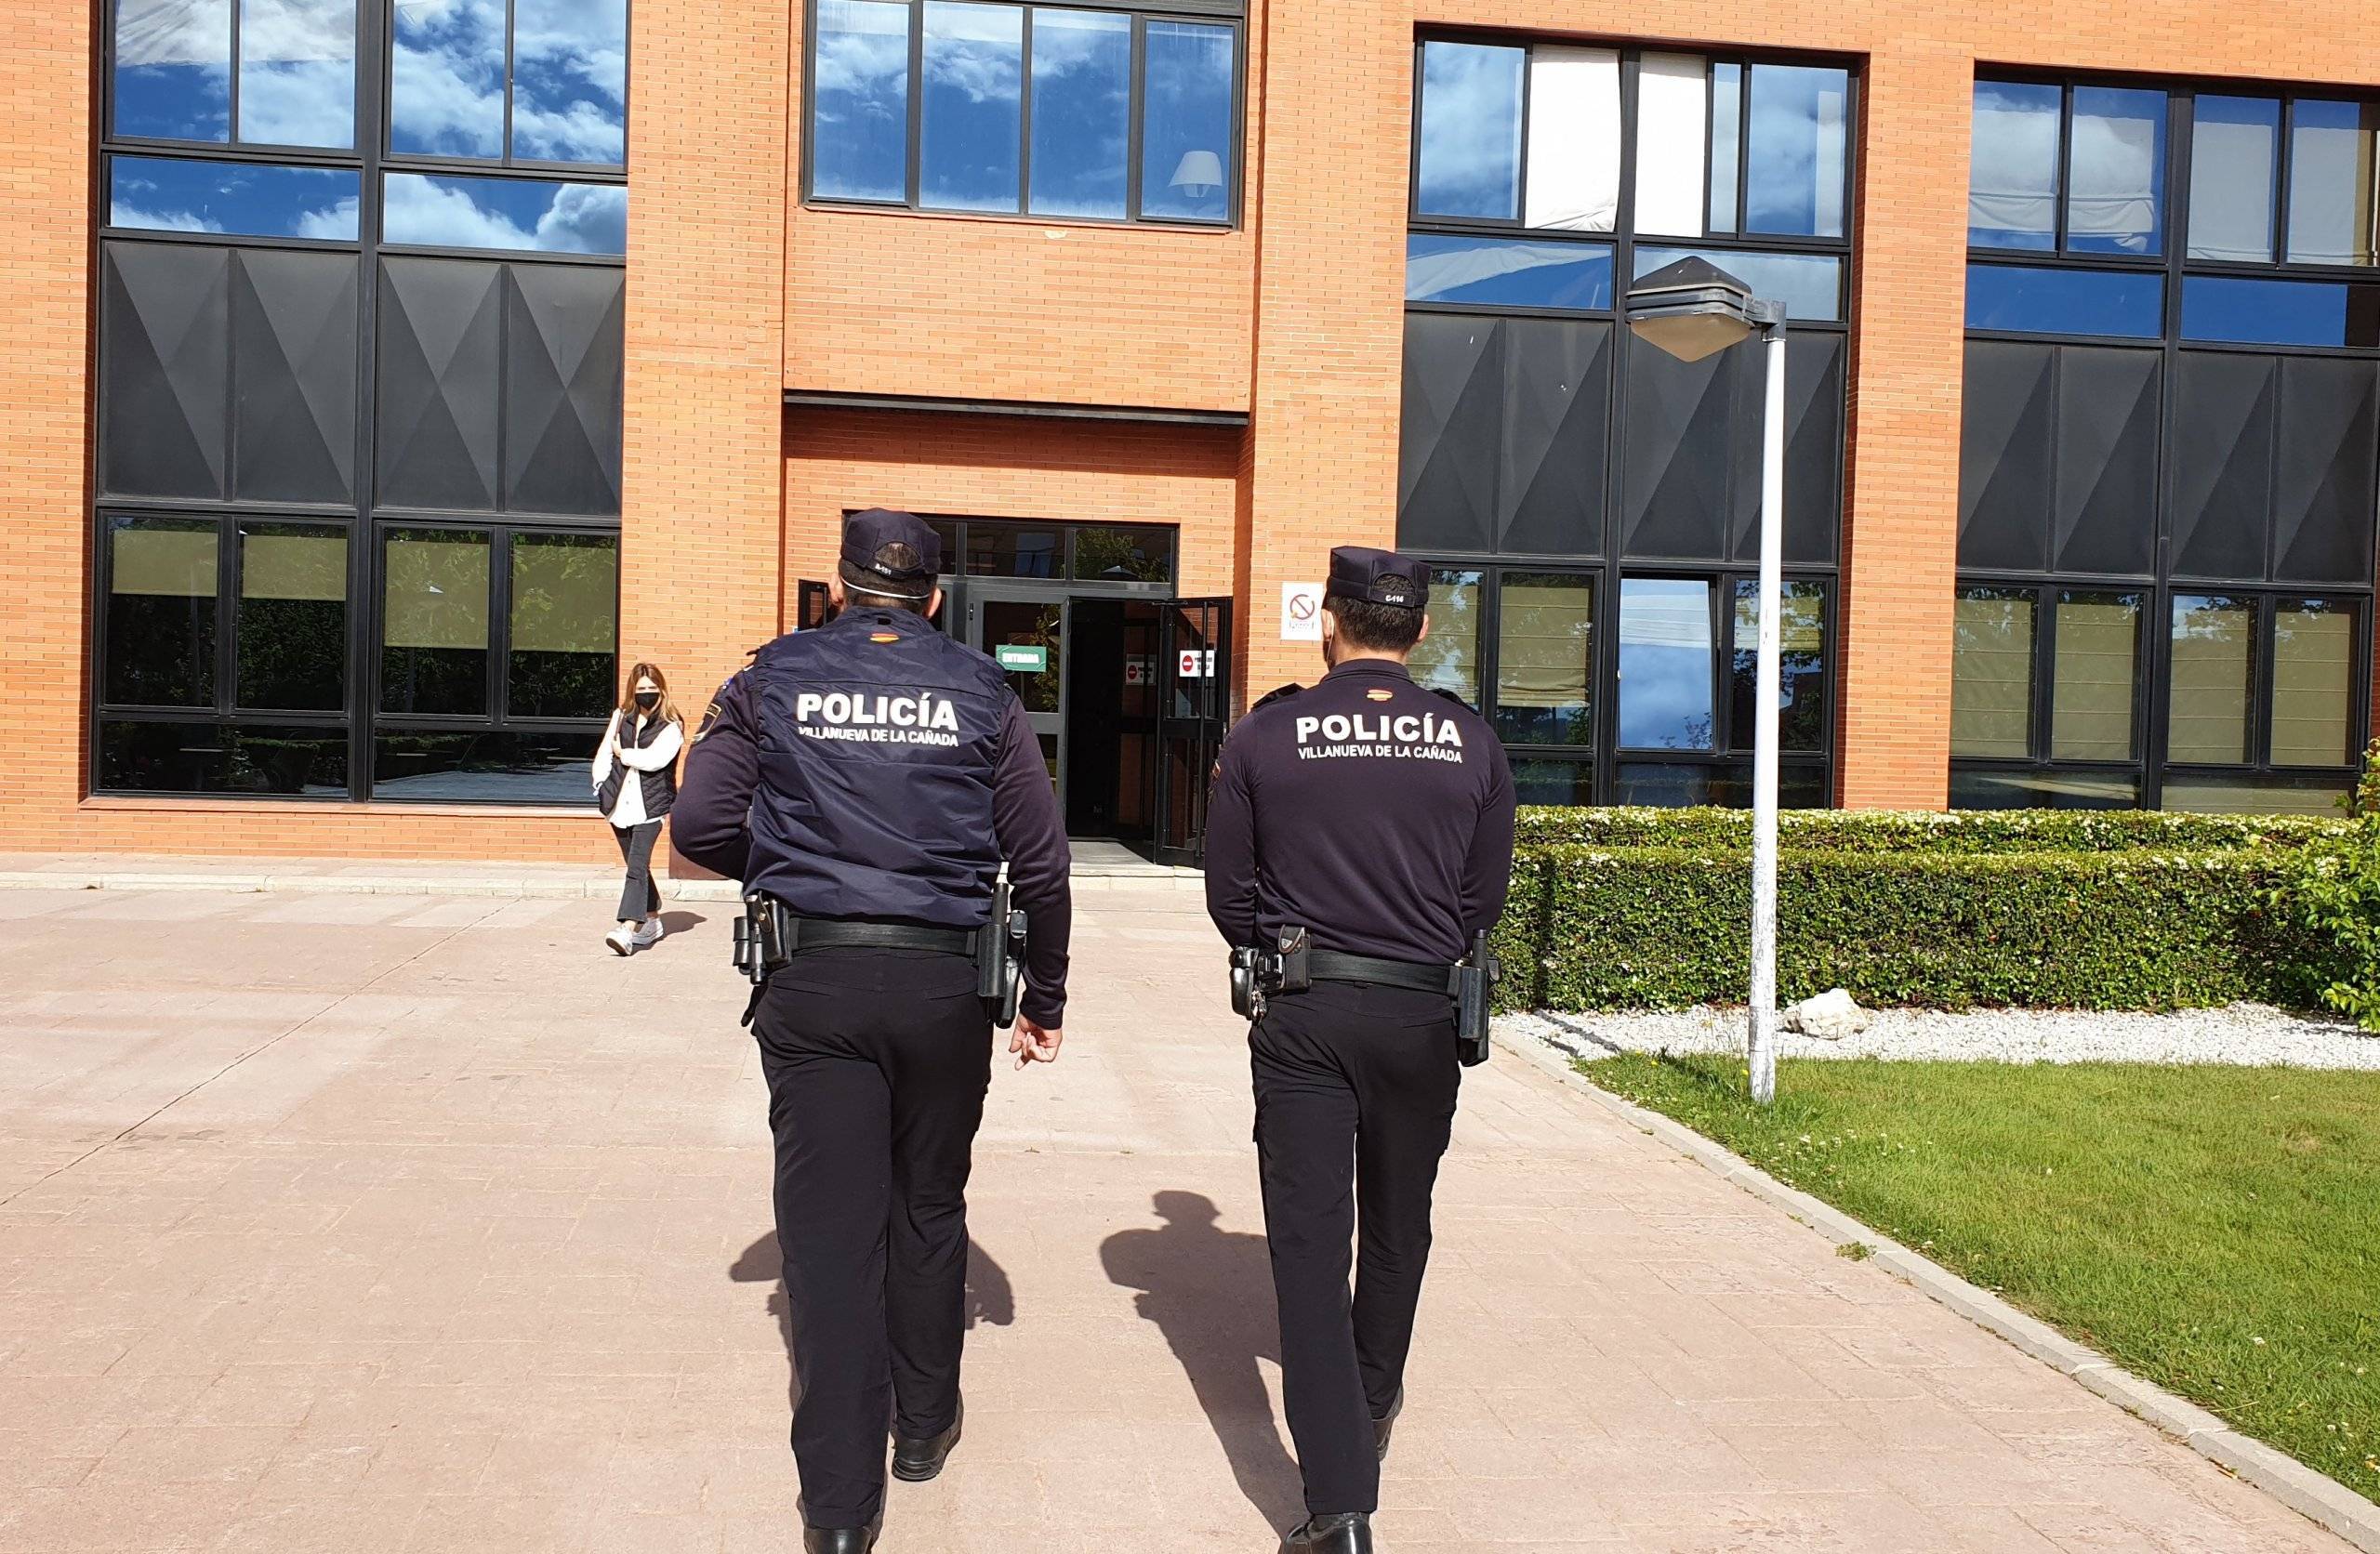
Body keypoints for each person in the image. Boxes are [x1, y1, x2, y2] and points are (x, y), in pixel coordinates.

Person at [673, 507, 1071, 1554]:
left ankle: (841, 1513)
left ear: (841, 585)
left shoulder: (770, 676)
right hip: (945, 986)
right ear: (935, 598)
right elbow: (1043, 865)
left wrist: (803, 854)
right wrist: (1047, 997)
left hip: (817, 980)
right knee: (929, 1204)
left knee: (829, 1237)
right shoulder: (985, 690)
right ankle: (924, 1429)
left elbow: (701, 825)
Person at [1203, 547, 1516, 1554]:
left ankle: (1338, 1504)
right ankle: (1369, 1409)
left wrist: (1288, 947)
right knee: (1397, 1225)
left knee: (1305, 1245)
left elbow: (1228, 893)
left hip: (1303, 1012)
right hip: (1420, 1014)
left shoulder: (1268, 734)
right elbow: (1482, 898)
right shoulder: (1469, 741)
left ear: (1326, 622)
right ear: (1420, 631)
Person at [592, 661, 684, 955]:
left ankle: (627, 928)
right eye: (642, 688)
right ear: (634, 690)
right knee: (638, 866)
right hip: (618, 804)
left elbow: (655, 760)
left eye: (652, 689)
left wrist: (625, 754)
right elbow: (606, 751)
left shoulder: (672, 724)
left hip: (651, 807)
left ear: (662, 690)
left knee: (635, 866)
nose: (647, 693)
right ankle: (653, 918)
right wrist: (600, 784)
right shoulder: (621, 717)